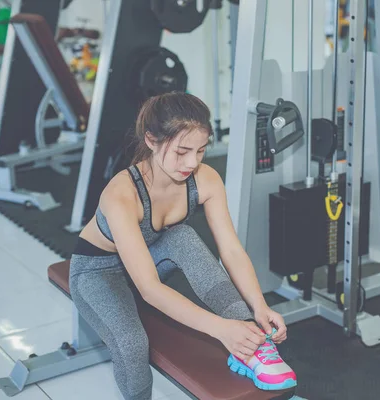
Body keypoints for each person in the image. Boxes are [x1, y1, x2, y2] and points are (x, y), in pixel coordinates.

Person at [69, 92, 297, 400]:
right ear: (151, 140)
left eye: (201, 150)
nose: (192, 162)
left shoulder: (206, 179)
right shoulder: (121, 195)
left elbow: (230, 250)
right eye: (182, 151)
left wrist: (258, 307)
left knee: (182, 236)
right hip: (99, 273)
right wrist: (219, 329)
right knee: (132, 345)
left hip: (150, 259)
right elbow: (149, 289)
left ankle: (252, 344)